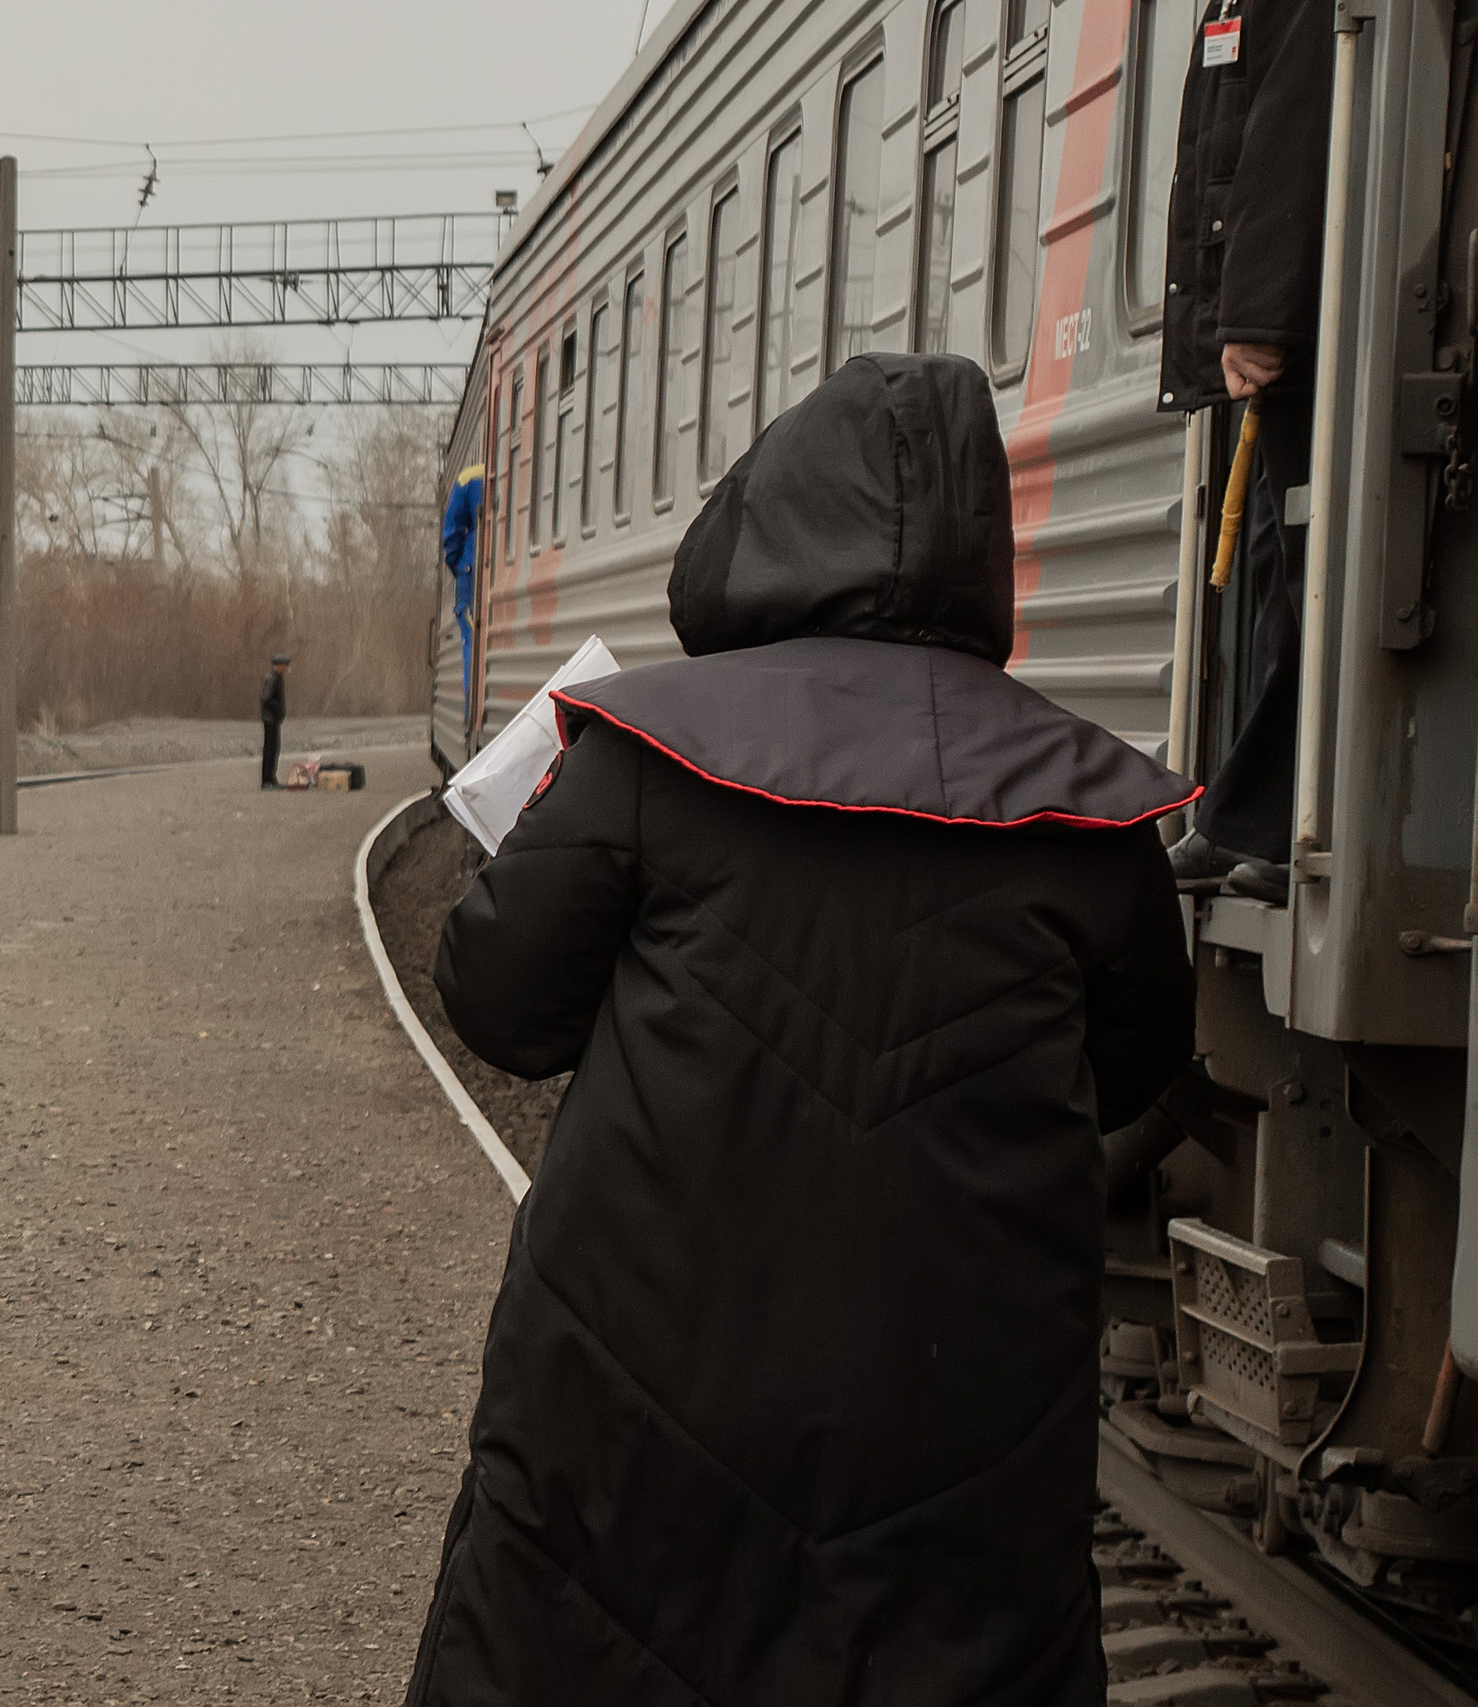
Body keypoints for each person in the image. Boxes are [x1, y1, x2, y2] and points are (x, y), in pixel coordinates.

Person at [402, 355, 1197, 1705]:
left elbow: (496, 1000)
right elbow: (1136, 1074)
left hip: (632, 1408)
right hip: (960, 1441)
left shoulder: (648, 750)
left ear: (768, 517)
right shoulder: (1087, 812)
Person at [1159, 0, 1336, 904]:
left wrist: (1258, 315)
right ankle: (1256, 819)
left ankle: (1269, 819)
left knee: (1303, 579)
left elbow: (1295, 116)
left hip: (1304, 320)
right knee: (1282, 569)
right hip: (1296, 318)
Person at [260, 652, 290, 789]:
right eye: (284, 665)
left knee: (274, 749)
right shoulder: (272, 678)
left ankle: (271, 779)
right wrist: (278, 709)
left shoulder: (276, 677)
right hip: (270, 719)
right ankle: (267, 781)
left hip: (273, 719)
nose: (286, 668)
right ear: (279, 665)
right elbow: (266, 698)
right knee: (270, 750)